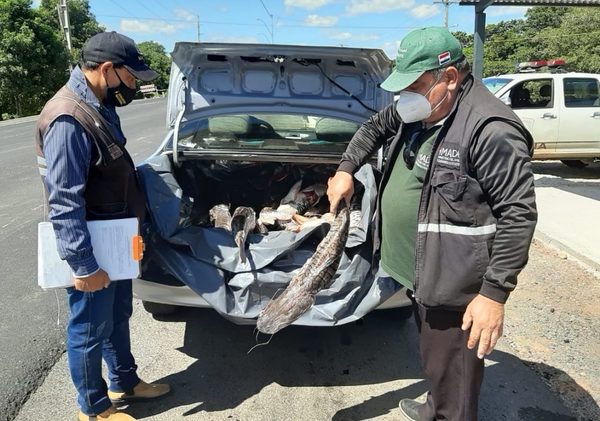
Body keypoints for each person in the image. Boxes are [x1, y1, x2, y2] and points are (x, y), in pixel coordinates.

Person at [327, 27, 537, 420]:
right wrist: (345, 169)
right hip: (419, 273)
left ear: (450, 78)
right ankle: (434, 405)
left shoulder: (490, 129)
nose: (402, 96)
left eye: (414, 85)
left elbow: (519, 213)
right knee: (434, 357)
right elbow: (373, 128)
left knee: (454, 366)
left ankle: (447, 412)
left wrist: (493, 295)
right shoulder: (420, 107)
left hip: (454, 281)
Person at [35, 31, 170, 421]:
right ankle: (93, 409)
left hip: (114, 238)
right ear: (108, 69)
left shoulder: (94, 103)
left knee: (116, 318)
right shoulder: (69, 117)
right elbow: (64, 200)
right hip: (93, 246)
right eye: (130, 78)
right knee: (89, 331)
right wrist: (84, 266)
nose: (132, 86)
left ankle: (124, 381)